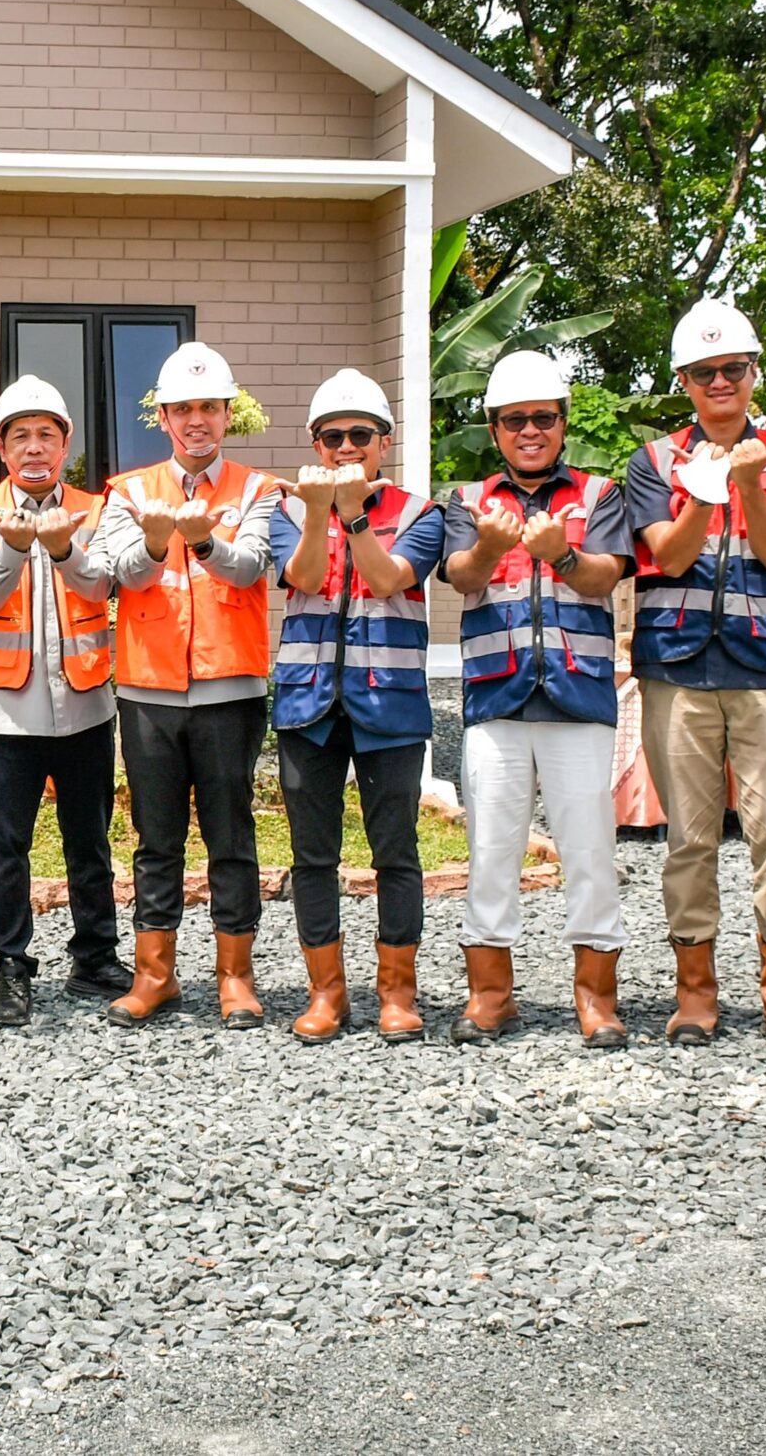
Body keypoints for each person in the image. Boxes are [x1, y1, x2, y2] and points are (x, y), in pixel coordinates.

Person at [624, 298, 766, 1052]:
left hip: (765, 667)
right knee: (689, 838)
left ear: (752, 372)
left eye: (733, 369)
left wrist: (745, 484)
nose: (720, 382)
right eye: (704, 371)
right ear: (684, 380)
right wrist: (708, 492)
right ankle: (695, 991)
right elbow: (668, 557)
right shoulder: (652, 463)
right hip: (676, 665)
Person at [439, 350, 636, 1049]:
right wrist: (491, 549)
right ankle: (491, 994)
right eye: (515, 420)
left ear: (563, 421)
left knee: (588, 849)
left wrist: (560, 555)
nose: (531, 431)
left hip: (578, 698)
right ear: (494, 428)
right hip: (497, 697)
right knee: (493, 849)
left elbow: (605, 575)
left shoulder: (598, 492)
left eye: (543, 418)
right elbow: (461, 577)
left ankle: (596, 997)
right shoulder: (468, 501)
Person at [97, 340, 279, 1029]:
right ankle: (156, 976)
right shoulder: (128, 492)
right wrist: (151, 541)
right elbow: (123, 572)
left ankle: (236, 977)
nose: (196, 419)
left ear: (228, 415)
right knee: (156, 838)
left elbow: (252, 567)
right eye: (183, 409)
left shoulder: (259, 491)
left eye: (209, 407)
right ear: (164, 418)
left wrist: (203, 542)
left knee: (231, 835)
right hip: (148, 690)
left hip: (229, 689)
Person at [266, 370, 441, 1044]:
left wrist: (354, 515)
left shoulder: (421, 514)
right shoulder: (285, 512)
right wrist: (319, 512)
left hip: (389, 704)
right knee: (313, 856)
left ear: (383, 444)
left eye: (358, 435)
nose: (345, 447)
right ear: (314, 442)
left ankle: (397, 992)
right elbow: (304, 577)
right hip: (309, 704)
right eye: (331, 436)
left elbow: (388, 576)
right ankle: (325, 993)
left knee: (395, 850)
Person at [0, 376, 127, 1027]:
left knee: (90, 840)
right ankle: (11, 969)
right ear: (0, 445)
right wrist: (15, 545)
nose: (33, 447)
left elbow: (103, 582)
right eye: (19, 435)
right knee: (6, 848)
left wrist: (62, 545)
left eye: (45, 435)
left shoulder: (97, 509)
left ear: (65, 443)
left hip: (85, 704)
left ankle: (96, 956)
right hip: (8, 712)